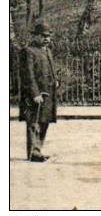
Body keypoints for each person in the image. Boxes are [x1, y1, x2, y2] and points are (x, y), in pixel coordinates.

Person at [19, 21, 58, 162]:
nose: (46, 38)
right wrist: (34, 93)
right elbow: (27, 74)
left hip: (48, 93)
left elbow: (50, 69)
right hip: (34, 95)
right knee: (33, 122)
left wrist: (55, 80)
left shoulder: (47, 51)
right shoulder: (28, 51)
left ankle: (38, 149)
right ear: (35, 36)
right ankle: (34, 153)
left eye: (48, 36)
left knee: (44, 122)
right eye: (43, 36)